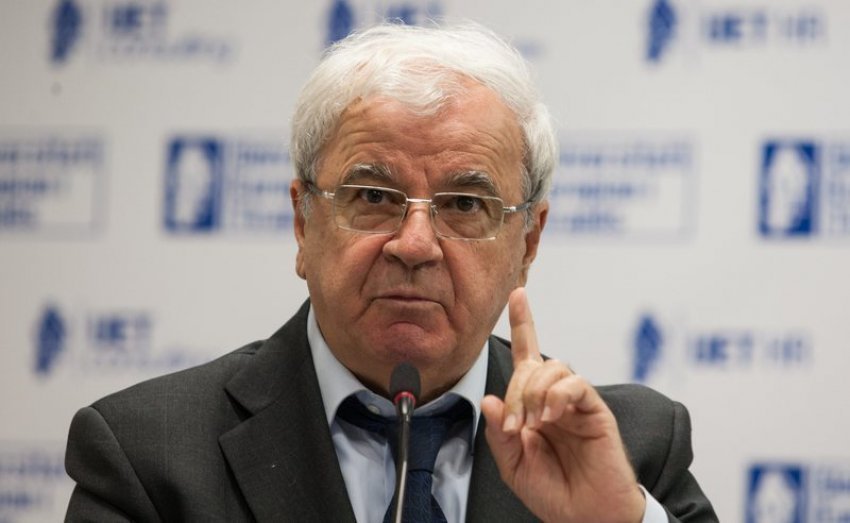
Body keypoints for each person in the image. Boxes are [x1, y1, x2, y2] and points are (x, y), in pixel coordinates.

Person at [64, 22, 718, 522]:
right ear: (303, 223)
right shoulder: (149, 456)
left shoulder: (631, 451)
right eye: (374, 196)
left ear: (528, 242)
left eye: (465, 205)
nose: (415, 244)